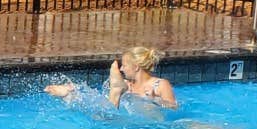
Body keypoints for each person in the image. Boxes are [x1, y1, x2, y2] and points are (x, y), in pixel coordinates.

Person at [46, 44, 179, 112]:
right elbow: (100, 101)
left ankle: (114, 92)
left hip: (153, 124)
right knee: (99, 112)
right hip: (131, 122)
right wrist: (78, 92)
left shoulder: (160, 84)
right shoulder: (127, 85)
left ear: (136, 67)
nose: (121, 69)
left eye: (124, 65)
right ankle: (70, 95)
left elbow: (173, 108)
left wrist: (154, 99)